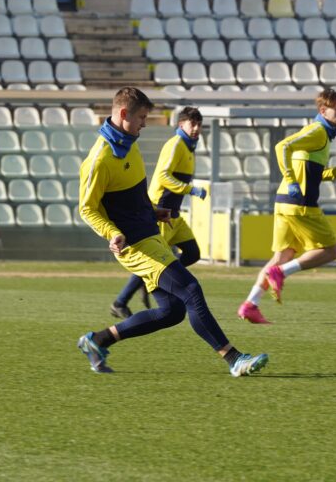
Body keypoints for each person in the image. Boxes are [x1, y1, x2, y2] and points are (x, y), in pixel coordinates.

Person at [77, 87, 269, 376]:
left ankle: (98, 340)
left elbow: (132, 195)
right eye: (142, 117)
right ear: (124, 114)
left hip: (150, 234)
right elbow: (86, 208)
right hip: (135, 245)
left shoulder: (129, 144)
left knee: (172, 312)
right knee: (191, 289)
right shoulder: (100, 158)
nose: (144, 123)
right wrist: (111, 232)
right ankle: (234, 359)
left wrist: (152, 210)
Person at [237, 89, 336, 324]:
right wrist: (291, 180)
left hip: (284, 203)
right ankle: (281, 274)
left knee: (282, 255)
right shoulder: (318, 131)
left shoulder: (319, 134)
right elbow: (281, 146)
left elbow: (312, 173)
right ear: (323, 110)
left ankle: (250, 304)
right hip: (300, 204)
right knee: (331, 250)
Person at [109, 106, 207, 319]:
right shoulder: (176, 144)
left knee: (192, 253)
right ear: (181, 125)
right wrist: (190, 189)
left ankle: (157, 279)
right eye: (193, 124)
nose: (197, 128)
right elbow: (163, 176)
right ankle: (120, 302)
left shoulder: (189, 149)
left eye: (199, 124)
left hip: (175, 214)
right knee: (155, 260)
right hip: (160, 211)